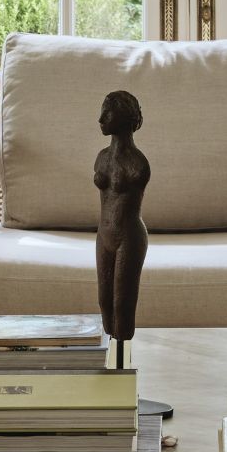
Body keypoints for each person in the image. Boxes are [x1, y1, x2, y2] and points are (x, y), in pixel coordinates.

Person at [91, 90, 150, 363]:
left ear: (124, 119)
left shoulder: (137, 163)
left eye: (108, 113)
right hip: (104, 235)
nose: (101, 119)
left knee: (122, 303)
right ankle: (111, 364)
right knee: (104, 300)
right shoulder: (102, 157)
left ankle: (123, 363)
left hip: (129, 237)